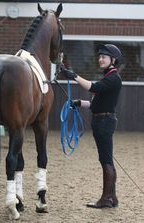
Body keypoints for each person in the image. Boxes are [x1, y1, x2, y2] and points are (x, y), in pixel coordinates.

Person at [60, 43, 122, 208]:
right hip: (101, 120)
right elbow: (95, 104)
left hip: (104, 122)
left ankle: (105, 199)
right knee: (106, 160)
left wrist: (74, 76)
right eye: (100, 56)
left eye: (104, 57)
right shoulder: (108, 76)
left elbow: (93, 87)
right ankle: (112, 198)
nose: (100, 59)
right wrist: (79, 103)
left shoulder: (113, 78)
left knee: (106, 161)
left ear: (113, 60)